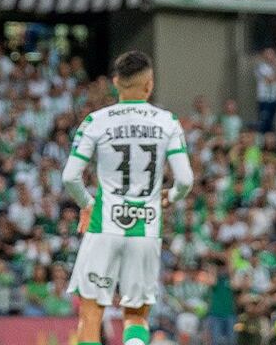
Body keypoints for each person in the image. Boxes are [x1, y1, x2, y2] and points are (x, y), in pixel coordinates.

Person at [62, 51, 194, 345]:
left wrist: (87, 204)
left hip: (104, 227)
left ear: (115, 82)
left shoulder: (96, 121)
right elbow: (185, 180)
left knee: (91, 313)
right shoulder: (167, 122)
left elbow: (70, 177)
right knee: (136, 316)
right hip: (146, 230)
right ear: (149, 84)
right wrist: (169, 198)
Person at [255, 48, 276, 134]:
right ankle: (263, 142)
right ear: (264, 56)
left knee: (272, 122)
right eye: (268, 54)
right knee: (264, 122)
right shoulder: (260, 67)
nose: (270, 57)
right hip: (264, 99)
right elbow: (268, 80)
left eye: (272, 54)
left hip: (275, 98)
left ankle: (271, 143)